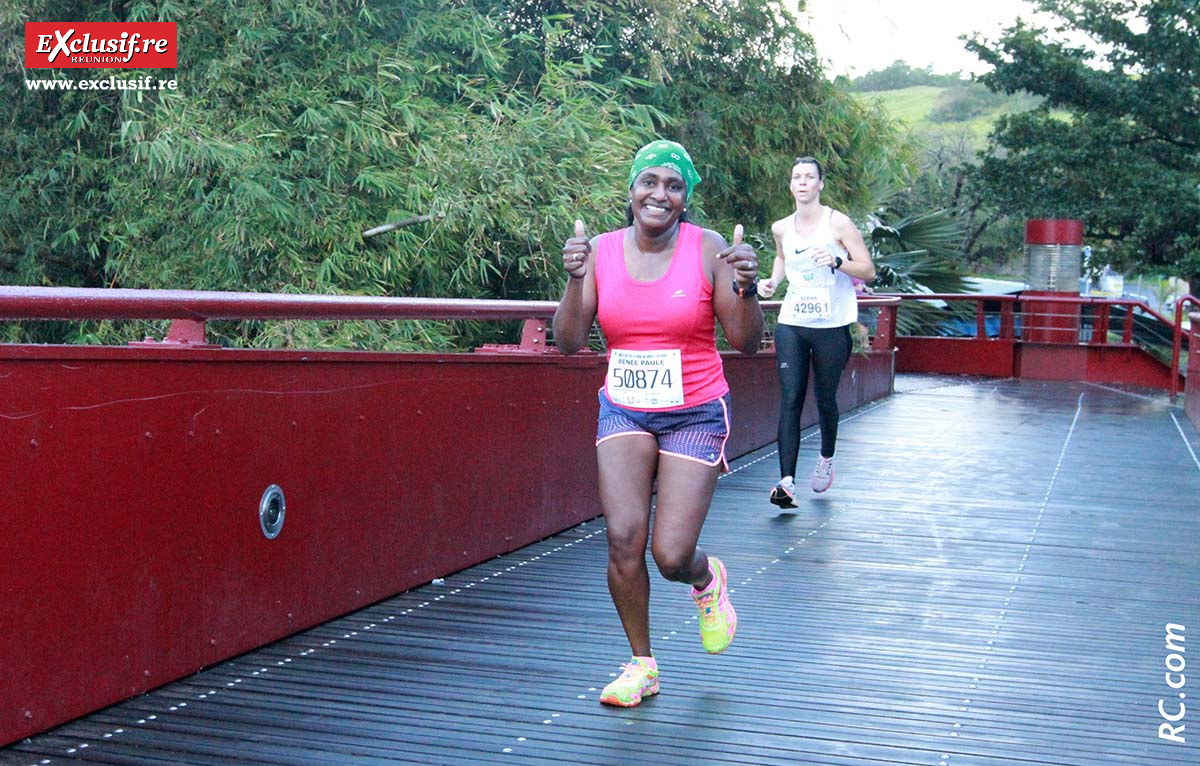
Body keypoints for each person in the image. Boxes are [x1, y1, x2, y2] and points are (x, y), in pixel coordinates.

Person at [552, 140, 764, 707]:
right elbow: (568, 343)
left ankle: (705, 579)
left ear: (685, 200)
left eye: (674, 186)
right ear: (631, 192)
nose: (660, 194)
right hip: (624, 405)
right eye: (650, 182)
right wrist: (574, 278)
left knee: (670, 555)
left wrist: (745, 286)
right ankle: (642, 664)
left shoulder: (708, 250)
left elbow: (746, 343)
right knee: (623, 538)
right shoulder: (598, 250)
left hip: (694, 409)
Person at [758, 156, 875, 506]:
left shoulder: (837, 224)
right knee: (791, 397)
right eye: (797, 177)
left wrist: (838, 262)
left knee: (825, 399)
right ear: (791, 185)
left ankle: (826, 459)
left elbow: (868, 269)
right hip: (793, 322)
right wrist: (772, 282)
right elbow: (781, 258)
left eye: (810, 176)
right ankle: (786, 482)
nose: (803, 182)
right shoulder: (781, 227)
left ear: (821, 184)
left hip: (832, 324)